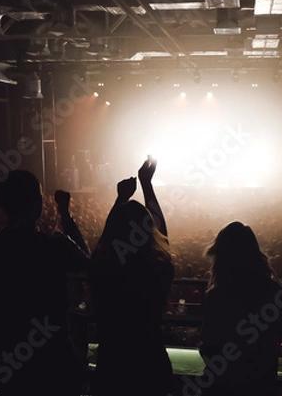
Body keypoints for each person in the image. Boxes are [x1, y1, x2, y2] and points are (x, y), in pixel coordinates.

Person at [0, 170, 89, 396]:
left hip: (8, 357)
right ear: (37, 204)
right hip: (53, 360)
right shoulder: (55, 247)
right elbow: (85, 262)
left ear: (2, 204)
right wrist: (65, 215)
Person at [90, 156, 174, 396]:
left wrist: (120, 200)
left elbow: (103, 244)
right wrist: (146, 184)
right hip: (150, 361)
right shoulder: (156, 269)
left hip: (113, 364)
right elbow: (163, 240)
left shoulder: (105, 270)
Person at [199, 221, 282, 396]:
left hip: (223, 386)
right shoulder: (274, 292)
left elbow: (209, 347)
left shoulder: (217, 296)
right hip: (261, 384)